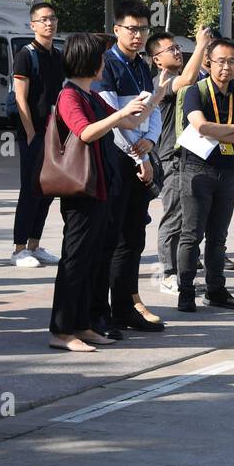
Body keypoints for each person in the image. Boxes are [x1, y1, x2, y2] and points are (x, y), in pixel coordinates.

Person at [48, 33, 148, 351]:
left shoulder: (90, 95)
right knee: (75, 260)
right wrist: (119, 114)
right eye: (101, 58)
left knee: (93, 260)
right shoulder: (70, 96)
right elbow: (86, 132)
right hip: (80, 192)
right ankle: (62, 330)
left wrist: (162, 90)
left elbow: (133, 121)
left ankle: (84, 324)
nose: (105, 63)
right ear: (89, 61)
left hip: (101, 189)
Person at [95, 0, 165, 334]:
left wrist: (150, 144)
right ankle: (105, 310)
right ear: (117, 30)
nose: (138, 35)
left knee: (133, 237)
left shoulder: (142, 66)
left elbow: (154, 109)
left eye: (143, 29)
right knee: (112, 237)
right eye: (131, 29)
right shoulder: (107, 64)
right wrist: (138, 156)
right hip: (117, 160)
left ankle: (125, 306)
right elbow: (112, 118)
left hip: (141, 159)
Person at [176, 37, 234, 312]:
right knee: (191, 234)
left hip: (227, 170)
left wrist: (219, 129)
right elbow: (199, 127)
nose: (227, 67)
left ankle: (216, 289)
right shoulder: (195, 92)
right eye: (221, 61)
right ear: (209, 62)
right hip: (196, 170)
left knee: (218, 236)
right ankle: (185, 291)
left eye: (232, 61)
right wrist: (233, 129)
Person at [146, 25, 210, 295]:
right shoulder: (161, 82)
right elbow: (185, 79)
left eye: (177, 47)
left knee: (191, 217)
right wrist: (200, 45)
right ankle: (167, 273)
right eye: (170, 49)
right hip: (170, 157)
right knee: (174, 216)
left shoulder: (189, 76)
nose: (177, 51)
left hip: (192, 155)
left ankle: (185, 267)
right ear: (157, 59)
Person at [10, 2, 65, 269]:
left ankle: (34, 244)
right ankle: (19, 248)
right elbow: (20, 97)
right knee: (30, 190)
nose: (49, 23)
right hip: (34, 134)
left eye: (52, 18)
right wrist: (31, 133)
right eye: (43, 20)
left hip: (55, 134)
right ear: (32, 25)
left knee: (47, 190)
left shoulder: (58, 55)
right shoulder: (25, 55)